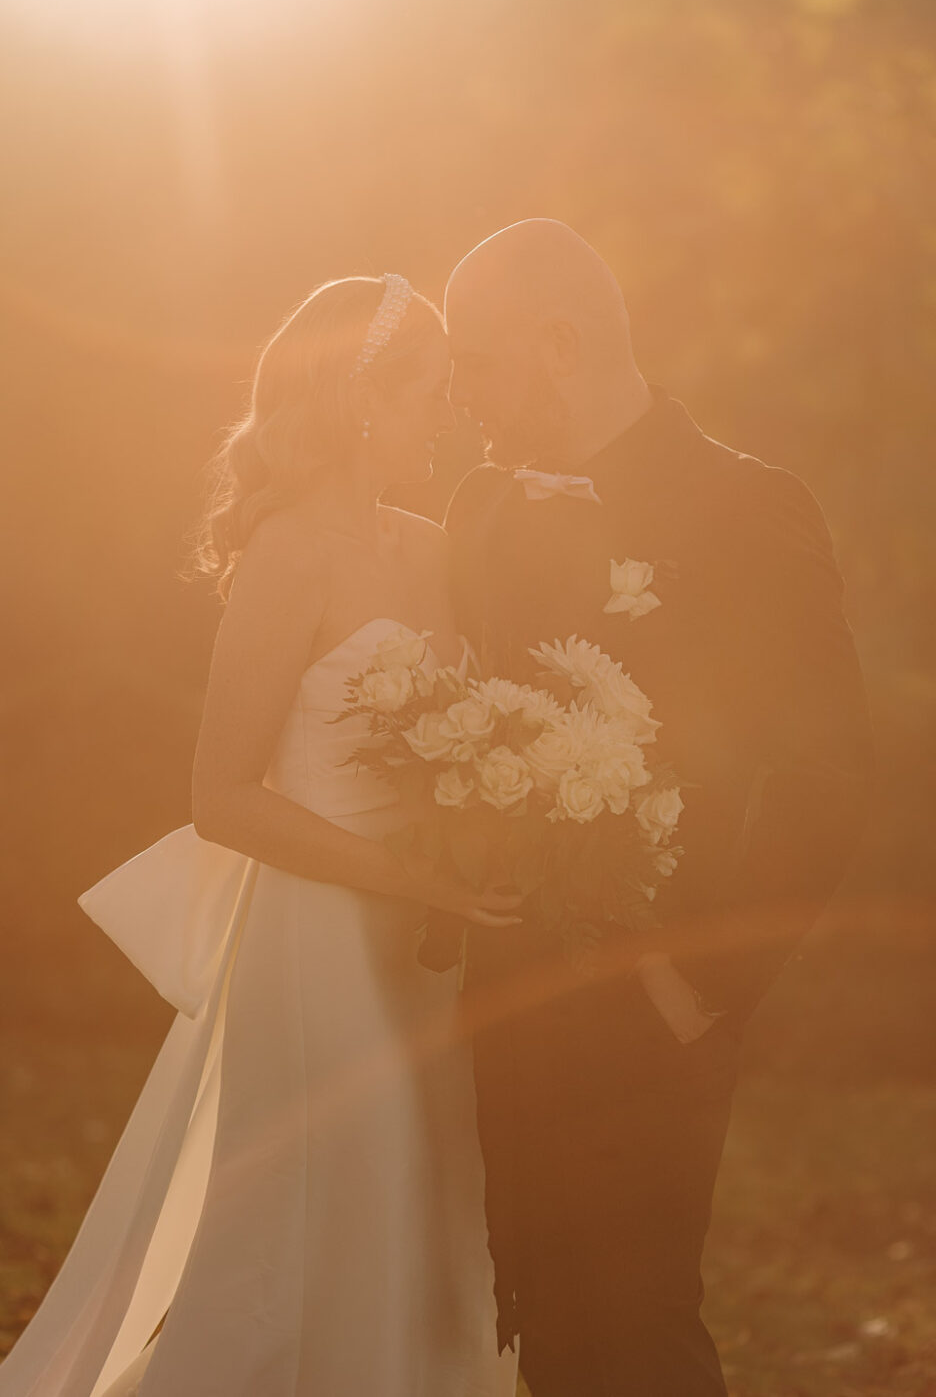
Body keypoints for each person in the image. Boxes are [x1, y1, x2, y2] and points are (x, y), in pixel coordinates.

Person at [0, 275, 520, 1397]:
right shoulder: (288, 555)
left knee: (434, 1211)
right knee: (330, 1206)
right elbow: (222, 797)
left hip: (437, 942)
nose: (449, 415)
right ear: (361, 400)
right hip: (321, 937)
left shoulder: (436, 548)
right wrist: (404, 874)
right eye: (430, 391)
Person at [432, 219, 874, 1396]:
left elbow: (830, 779)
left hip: (651, 1003)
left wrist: (696, 985)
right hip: (491, 988)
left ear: (558, 344)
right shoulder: (480, 507)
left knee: (632, 1332)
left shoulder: (746, 505)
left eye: (474, 358)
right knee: (532, 1324)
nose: (456, 389)